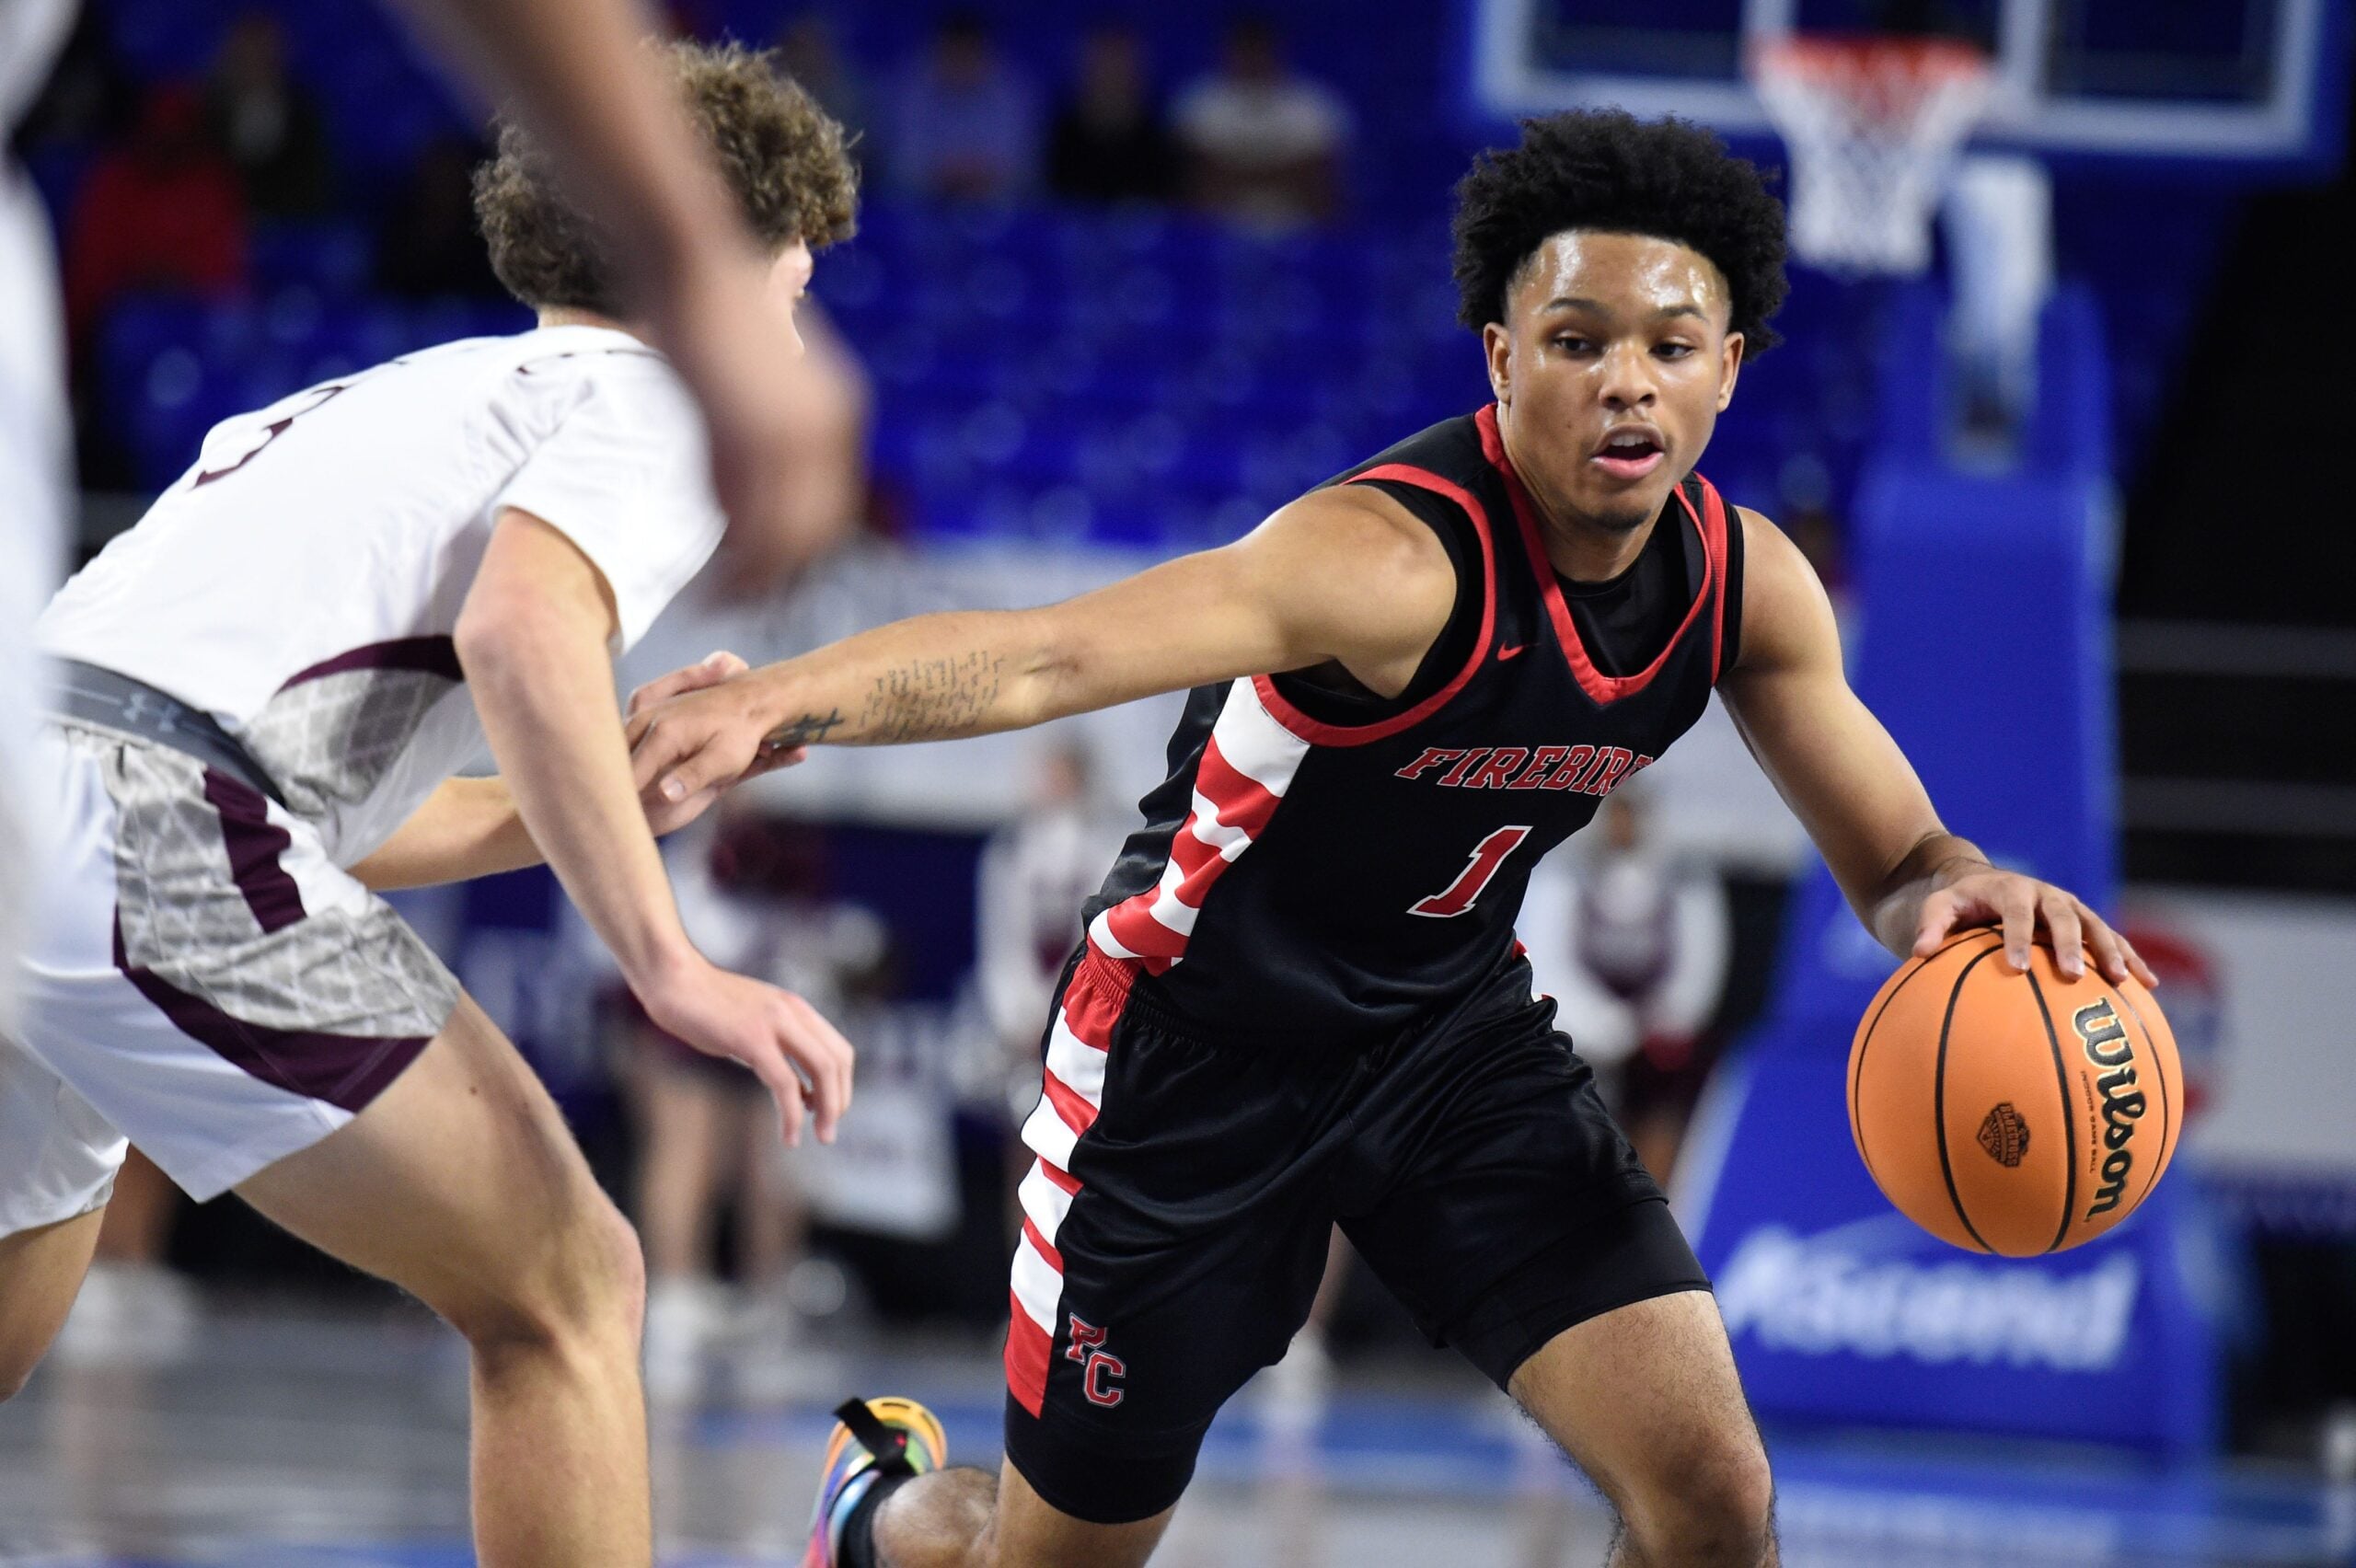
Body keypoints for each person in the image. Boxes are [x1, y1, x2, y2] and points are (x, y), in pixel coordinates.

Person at [632, 108, 2159, 1568]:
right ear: (1502, 357)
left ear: (1730, 371)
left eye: (1670, 348)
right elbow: (1050, 654)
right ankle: (876, 1512)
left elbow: (1898, 863)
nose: (1627, 384)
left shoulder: (1744, 586)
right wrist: (780, 701)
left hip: (1450, 1039)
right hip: (1188, 1060)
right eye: (1577, 342)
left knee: (1712, 1494)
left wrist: (1965, 892)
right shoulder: (1387, 561)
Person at [0, 43, 858, 1568]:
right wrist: (671, 962)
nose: (801, 317)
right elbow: (523, 630)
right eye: (796, 283)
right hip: (145, 822)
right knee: (570, 1284)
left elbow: (299, 795)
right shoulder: (650, 394)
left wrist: (584, 786)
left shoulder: (392, 395)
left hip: (52, 788)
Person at [1520, 785, 1733, 1182]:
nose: (1623, 825)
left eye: (1632, 813)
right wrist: (1607, 1026)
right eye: (1613, 814)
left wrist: (1658, 1024)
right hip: (1582, 1035)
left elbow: (1699, 968)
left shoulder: (1685, 876)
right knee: (1573, 1099)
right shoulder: (1561, 873)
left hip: (1658, 1039)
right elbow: (1547, 961)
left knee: (1667, 1096)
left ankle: (1659, 1199)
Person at [1172, 13, 1350, 226]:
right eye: (1245, 50)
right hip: (1215, 230)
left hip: (1299, 230)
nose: (1252, 58)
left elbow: (1319, 178)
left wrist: (1236, 170)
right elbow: (1198, 177)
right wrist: (1281, 172)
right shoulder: (1197, 102)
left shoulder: (1314, 105)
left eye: (1259, 49)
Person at [887, 11, 1040, 204]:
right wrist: (945, 174)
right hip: (923, 207)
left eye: (969, 53)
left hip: (996, 209)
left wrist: (978, 175)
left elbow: (1023, 170)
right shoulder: (912, 93)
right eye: (955, 53)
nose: (961, 62)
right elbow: (902, 167)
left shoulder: (1013, 95)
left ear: (985, 56)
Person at [203, 8, 335, 218]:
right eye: (245, 53)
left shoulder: (303, 113)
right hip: (213, 223)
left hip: (283, 224)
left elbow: (311, 182)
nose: (252, 61)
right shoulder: (207, 110)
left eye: (261, 52)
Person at [1045, 26, 1178, 207]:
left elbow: (1162, 195)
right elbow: (1053, 193)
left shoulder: (1155, 130)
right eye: (1104, 60)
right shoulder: (1064, 128)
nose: (1112, 70)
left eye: (1120, 60)